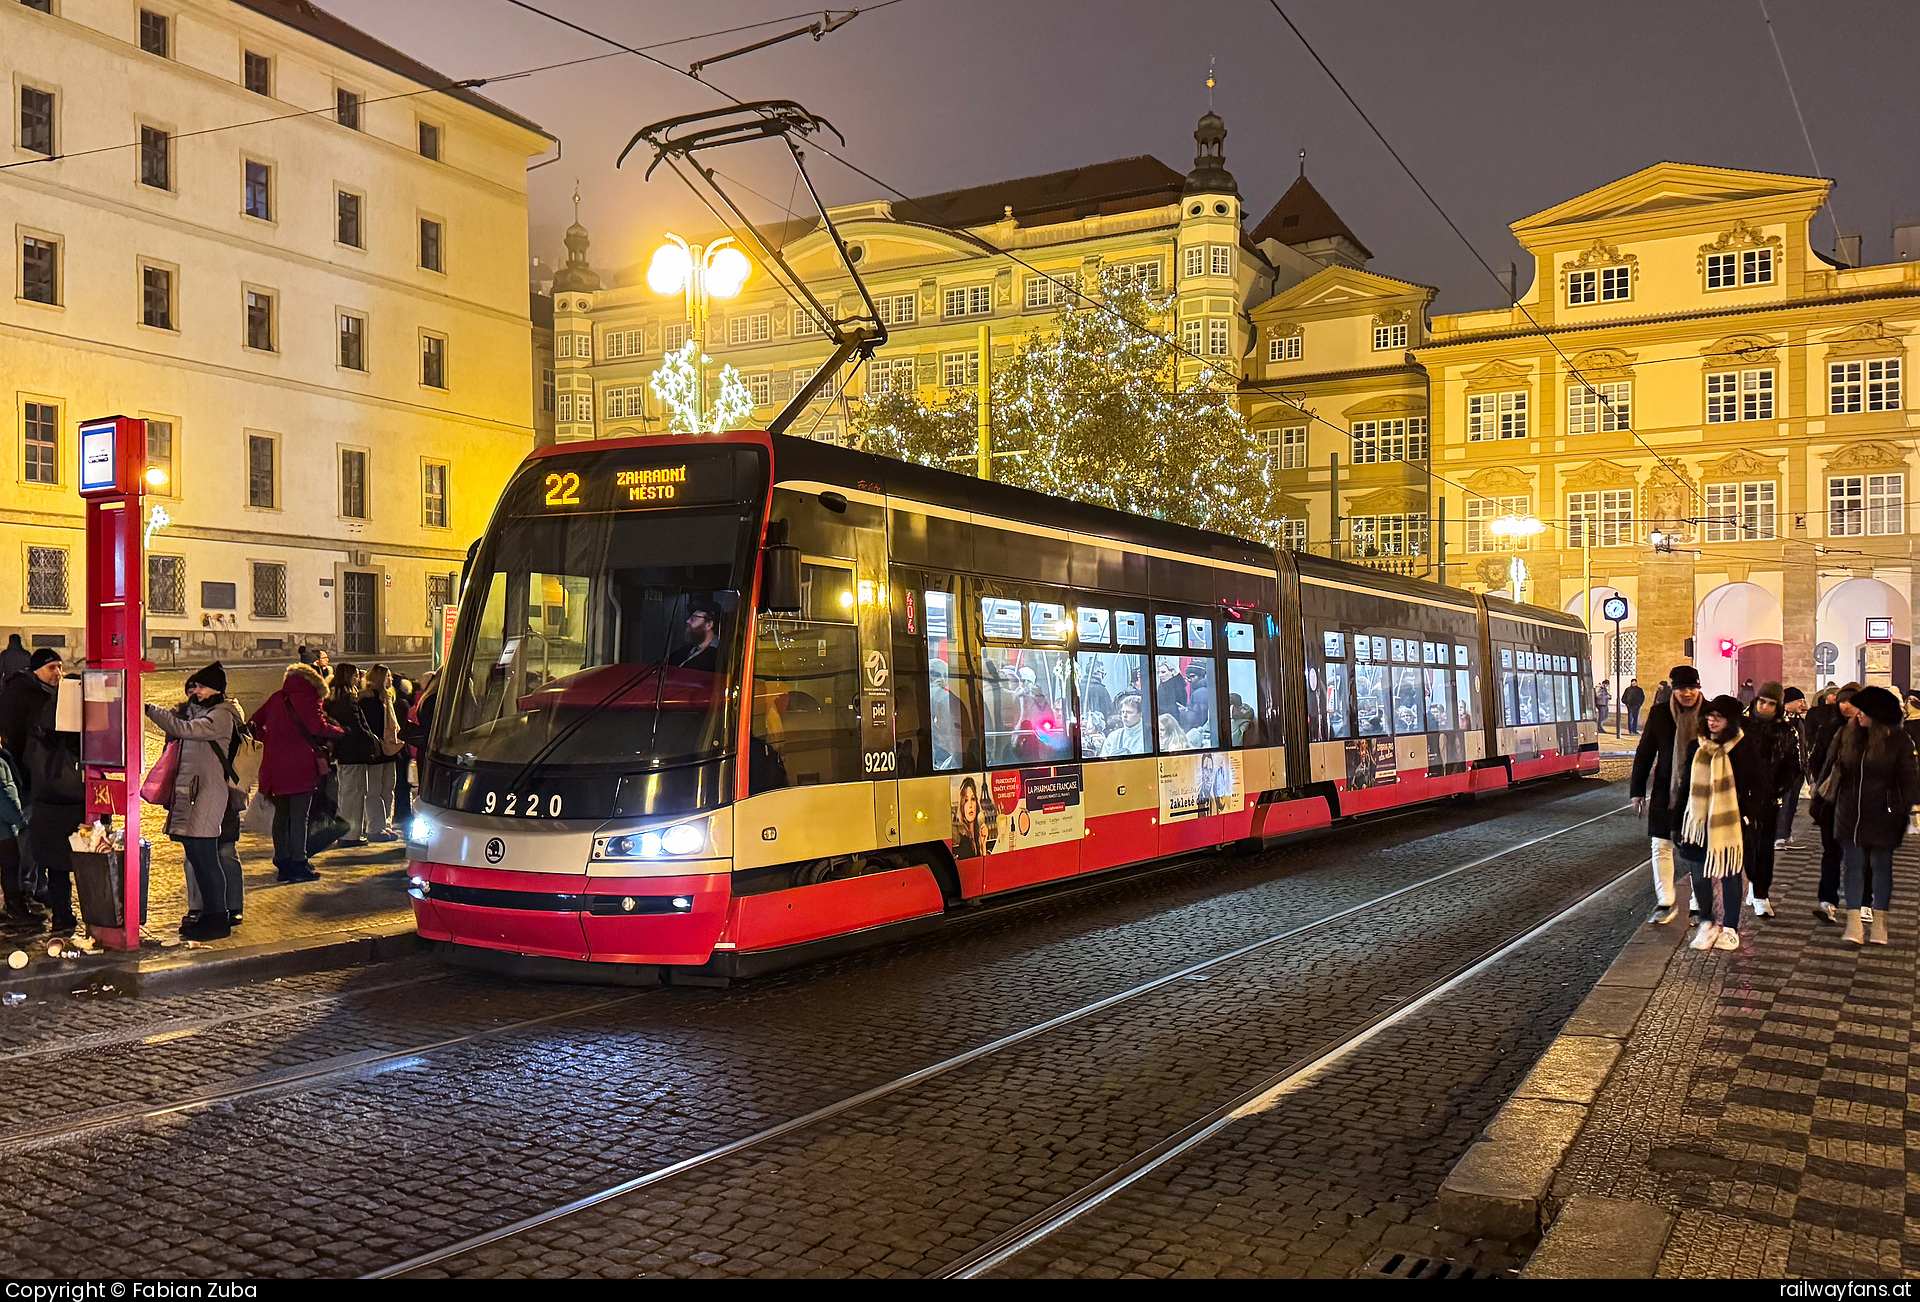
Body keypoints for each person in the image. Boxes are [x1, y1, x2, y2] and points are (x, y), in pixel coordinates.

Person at [144, 662, 245, 941]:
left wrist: (150, 710)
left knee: (206, 857)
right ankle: (209, 915)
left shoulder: (221, 716)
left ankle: (217, 918)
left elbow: (184, 729)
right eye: (194, 687)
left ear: (215, 689)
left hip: (207, 795)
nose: (196, 692)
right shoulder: (205, 712)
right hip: (194, 794)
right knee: (198, 856)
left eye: (200, 687)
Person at [1824, 685, 1920, 945]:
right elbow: (1832, 768)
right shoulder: (1848, 735)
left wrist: (1901, 808)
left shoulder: (1899, 740)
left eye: (1864, 711)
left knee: (1881, 868)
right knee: (1853, 867)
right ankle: (1854, 924)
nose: (1858, 715)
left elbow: (1910, 780)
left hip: (1883, 815)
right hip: (1849, 813)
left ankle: (1880, 924)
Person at [1675, 694, 1770, 952]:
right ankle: (1706, 922)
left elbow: (1758, 786)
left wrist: (1747, 815)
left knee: (1730, 872)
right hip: (1698, 821)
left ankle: (1730, 927)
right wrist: (1677, 822)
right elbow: (1685, 787)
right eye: (1709, 716)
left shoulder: (1743, 746)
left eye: (1718, 717)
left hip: (1730, 822)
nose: (1711, 721)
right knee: (1698, 871)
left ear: (1730, 721)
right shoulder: (1697, 747)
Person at [251, 661, 344, 883]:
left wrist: (270, 740)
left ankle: (282, 862)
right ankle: (299, 863)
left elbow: (255, 722)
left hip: (274, 766)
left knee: (282, 816)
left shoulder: (276, 697)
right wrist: (340, 732)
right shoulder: (309, 698)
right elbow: (317, 727)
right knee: (300, 816)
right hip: (300, 765)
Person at [1630, 664, 1705, 925]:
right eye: (1681, 688)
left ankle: (1698, 904)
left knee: (1697, 847)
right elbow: (1645, 751)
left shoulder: (1709, 714)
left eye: (1692, 688)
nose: (1687, 693)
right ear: (1672, 690)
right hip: (1666, 789)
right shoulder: (1660, 714)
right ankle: (1665, 901)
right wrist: (1637, 790)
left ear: (1699, 688)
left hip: (1700, 790)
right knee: (1661, 845)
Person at [21, 665, 81, 936]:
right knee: (89, 863)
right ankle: (98, 914)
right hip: (75, 805)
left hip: (46, 804)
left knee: (57, 869)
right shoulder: (81, 724)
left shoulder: (43, 720)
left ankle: (62, 916)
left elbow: (28, 758)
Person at [1805, 682, 1860, 923]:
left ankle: (1863, 903)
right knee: (1831, 851)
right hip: (1832, 800)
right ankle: (1827, 901)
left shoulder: (1875, 731)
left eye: (1852, 701)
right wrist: (1820, 784)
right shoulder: (1830, 729)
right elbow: (1817, 760)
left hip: (1861, 802)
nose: (1846, 706)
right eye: (1842, 701)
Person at [1742, 682, 1796, 918]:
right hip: (1741, 797)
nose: (1765, 707)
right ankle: (1752, 884)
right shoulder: (1741, 726)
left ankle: (1761, 893)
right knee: (1745, 846)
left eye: (1771, 704)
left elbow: (1791, 765)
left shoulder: (1783, 730)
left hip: (1769, 797)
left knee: (1764, 846)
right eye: (1762, 701)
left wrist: (1778, 789)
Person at [325, 664, 380, 846]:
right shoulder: (349, 699)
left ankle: (346, 832)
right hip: (354, 751)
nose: (359, 678)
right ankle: (350, 835)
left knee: (346, 793)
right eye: (356, 675)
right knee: (354, 793)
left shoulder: (333, 698)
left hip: (343, 752)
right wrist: (372, 740)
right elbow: (358, 726)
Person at [358, 664, 404, 841]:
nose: (391, 679)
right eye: (388, 676)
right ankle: (375, 828)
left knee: (387, 789)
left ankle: (385, 824)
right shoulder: (367, 699)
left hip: (390, 749)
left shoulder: (388, 698)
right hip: (376, 750)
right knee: (374, 790)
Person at [0, 738, 27, 930]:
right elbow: (3, 796)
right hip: (3, 830)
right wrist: (18, 818)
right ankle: (16, 909)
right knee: (11, 867)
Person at [1777, 687, 1808, 844]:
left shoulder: (1800, 721)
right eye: (1800, 701)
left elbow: (1803, 745)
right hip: (1785, 769)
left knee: (1792, 803)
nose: (1802, 704)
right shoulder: (1781, 721)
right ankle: (1780, 835)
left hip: (1798, 769)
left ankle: (1786, 832)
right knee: (1784, 802)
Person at [670, 605, 722, 672]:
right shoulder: (687, 650)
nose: (688, 621)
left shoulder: (721, 656)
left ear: (709, 625)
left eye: (694, 618)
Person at [953, 777, 992, 858]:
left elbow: (984, 866)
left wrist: (983, 845)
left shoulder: (976, 838)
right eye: (966, 800)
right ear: (962, 807)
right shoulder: (965, 842)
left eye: (973, 799)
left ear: (977, 804)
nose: (970, 805)